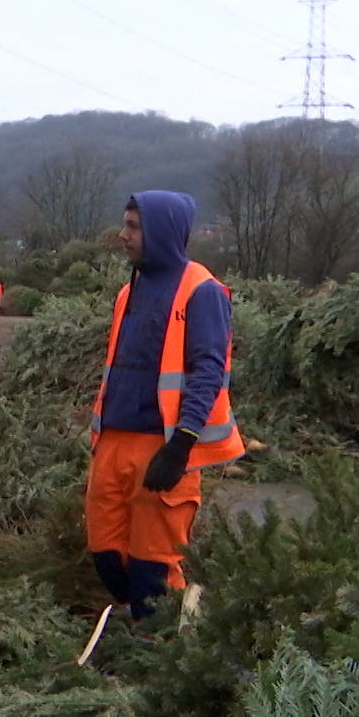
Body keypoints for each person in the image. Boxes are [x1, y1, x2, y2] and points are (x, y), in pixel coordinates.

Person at [86, 191, 245, 621]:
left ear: (161, 232)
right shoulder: (127, 292)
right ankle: (136, 625)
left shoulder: (202, 290)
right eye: (125, 225)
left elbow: (208, 371)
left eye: (133, 227)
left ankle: (156, 652)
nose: (123, 235)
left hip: (163, 445)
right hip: (113, 443)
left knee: (153, 565)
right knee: (106, 554)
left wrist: (182, 444)